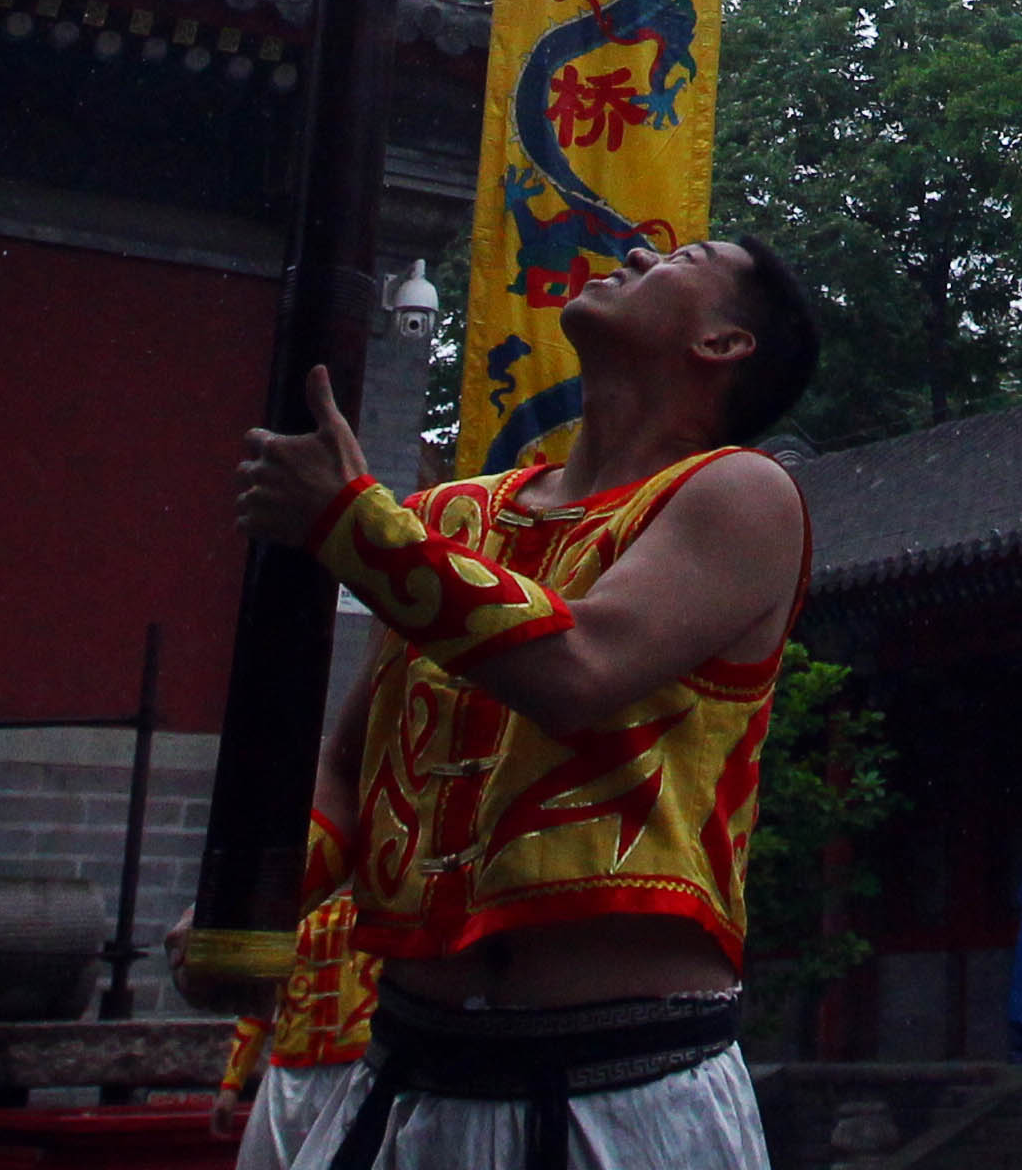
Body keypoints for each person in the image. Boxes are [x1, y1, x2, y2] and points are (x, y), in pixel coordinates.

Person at [230, 233, 821, 1170]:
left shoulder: (742, 494)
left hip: (629, 1082)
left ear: (723, 343)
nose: (638, 251)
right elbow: (349, 768)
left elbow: (579, 670)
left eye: (685, 259)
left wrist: (349, 525)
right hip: (404, 1074)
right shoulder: (447, 518)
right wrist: (259, 909)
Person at [217, 650, 392, 1170]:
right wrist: (231, 1082)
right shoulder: (293, 907)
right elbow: (259, 1000)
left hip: (356, 1061)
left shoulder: (378, 904)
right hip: (289, 1066)